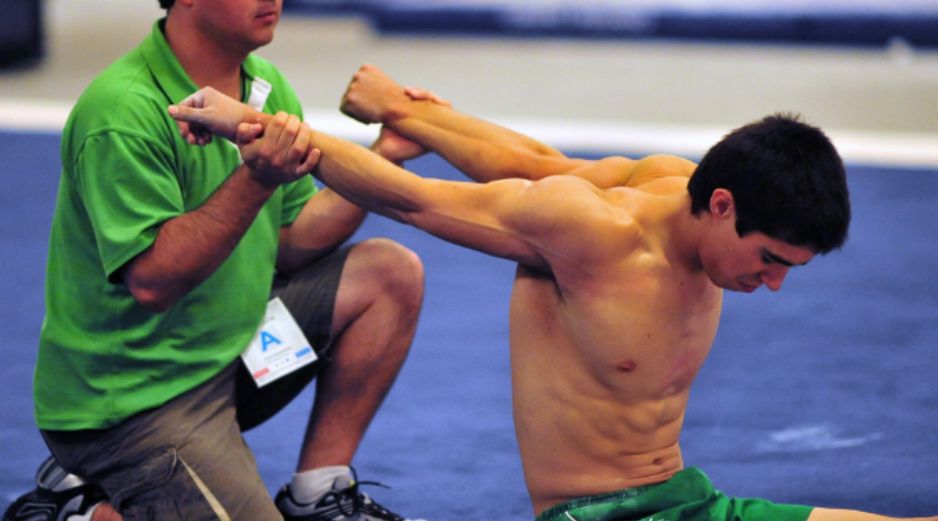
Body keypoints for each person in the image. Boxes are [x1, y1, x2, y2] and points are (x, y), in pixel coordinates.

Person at [165, 65, 938, 521]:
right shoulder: (593, 235)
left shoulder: (668, 182)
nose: (772, 285)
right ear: (723, 204)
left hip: (689, 501)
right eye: (769, 260)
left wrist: (410, 112)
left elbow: (535, 161)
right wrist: (253, 125)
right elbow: (412, 201)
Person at [3, 3, 429, 521]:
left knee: (388, 273)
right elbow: (154, 283)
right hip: (132, 407)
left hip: (231, 360)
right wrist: (258, 178)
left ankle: (316, 496)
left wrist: (384, 156)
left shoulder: (265, 84)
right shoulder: (121, 112)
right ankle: (83, 512)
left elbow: (292, 240)